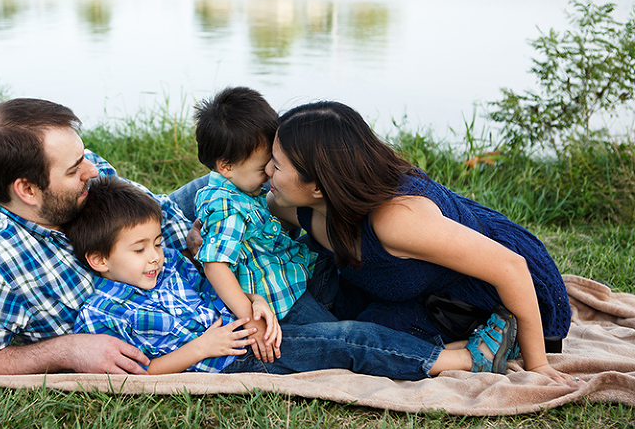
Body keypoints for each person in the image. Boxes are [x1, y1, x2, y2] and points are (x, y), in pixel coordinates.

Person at [65, 175, 519, 378]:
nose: (155, 257)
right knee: (344, 342)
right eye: (140, 250)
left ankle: (441, 350)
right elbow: (134, 374)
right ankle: (462, 362)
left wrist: (253, 298)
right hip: (234, 359)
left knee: (342, 329)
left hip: (248, 326)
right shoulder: (104, 313)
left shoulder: (171, 269)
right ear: (99, 259)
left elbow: (213, 283)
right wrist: (200, 349)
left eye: (158, 244)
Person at [265, 101, 577, 386]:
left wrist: (537, 367)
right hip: (409, 284)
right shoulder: (291, 204)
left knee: (366, 343)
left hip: (481, 292)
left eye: (276, 166)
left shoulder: (396, 220)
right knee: (340, 323)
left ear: (319, 186)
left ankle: (484, 351)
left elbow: (511, 267)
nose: (267, 172)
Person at [0, 98, 200, 380]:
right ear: (28, 190)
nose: (92, 170)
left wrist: (191, 238)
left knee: (241, 162)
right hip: (156, 310)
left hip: (157, 251)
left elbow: (156, 211)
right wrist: (65, 351)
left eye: (83, 156)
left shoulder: (84, 170)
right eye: (74, 170)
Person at [192, 86, 320, 362]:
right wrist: (250, 318)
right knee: (336, 334)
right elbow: (216, 264)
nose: (270, 173)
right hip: (280, 304)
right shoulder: (226, 206)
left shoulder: (243, 189)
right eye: (263, 168)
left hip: (290, 279)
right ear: (226, 166)